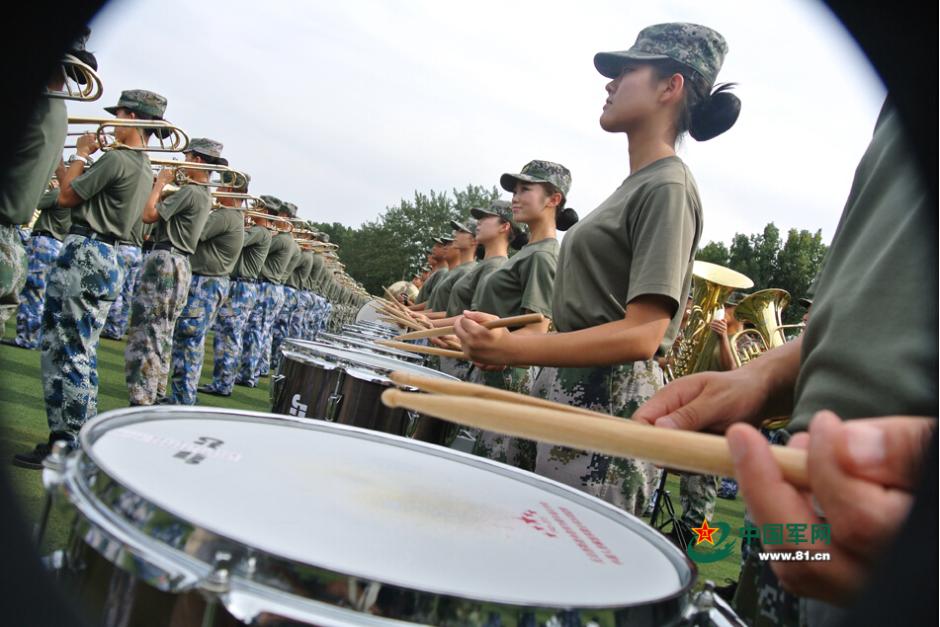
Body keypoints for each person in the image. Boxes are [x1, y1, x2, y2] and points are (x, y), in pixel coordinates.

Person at [634, 101, 935, 625]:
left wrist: (734, 349)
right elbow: (874, 308)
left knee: (700, 513)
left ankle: (695, 552)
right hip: (802, 512)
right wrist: (762, 374)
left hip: (900, 539)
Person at [455, 23, 740, 517]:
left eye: (628, 71)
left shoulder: (667, 187)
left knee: (566, 574)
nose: (610, 84)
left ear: (670, 86)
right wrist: (508, 345)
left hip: (609, 402)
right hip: (576, 391)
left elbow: (643, 335)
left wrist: (512, 347)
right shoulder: (639, 184)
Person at [13, 89, 165, 468]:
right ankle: (66, 438)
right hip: (102, 253)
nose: (110, 122)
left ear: (130, 117)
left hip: (88, 253)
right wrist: (77, 165)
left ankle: (71, 444)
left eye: (117, 115)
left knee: (70, 351)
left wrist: (81, 153)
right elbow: (74, 190)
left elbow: (65, 199)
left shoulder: (118, 159)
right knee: (70, 349)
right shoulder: (141, 166)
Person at [456, 160, 570, 470]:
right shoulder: (528, 253)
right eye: (514, 191)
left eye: (525, 190)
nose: (515, 198)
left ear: (553, 199)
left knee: (489, 469)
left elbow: (537, 329)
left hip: (508, 375)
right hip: (494, 367)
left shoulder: (545, 255)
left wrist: (494, 347)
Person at [0, 36, 89, 336]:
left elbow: (61, 197)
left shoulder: (37, 107)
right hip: (13, 238)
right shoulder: (57, 112)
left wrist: (80, 155)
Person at [124, 137, 221, 406]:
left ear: (198, 160)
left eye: (188, 156)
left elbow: (148, 215)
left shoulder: (191, 191)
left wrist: (158, 184)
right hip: (179, 263)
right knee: (162, 332)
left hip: (166, 261)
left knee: (148, 331)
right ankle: (154, 391)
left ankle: (142, 398)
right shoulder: (202, 193)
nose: (184, 162)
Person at [168, 172, 246, 404]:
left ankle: (183, 396)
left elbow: (196, 233)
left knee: (189, 338)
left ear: (231, 191)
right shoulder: (232, 216)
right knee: (193, 338)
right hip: (213, 283)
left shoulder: (225, 215)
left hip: (207, 284)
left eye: (222, 186)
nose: (217, 189)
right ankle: (185, 394)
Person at [200, 207, 272, 397]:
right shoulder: (262, 232)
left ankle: (223, 383)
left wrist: (239, 222)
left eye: (258, 208)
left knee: (229, 333)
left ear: (265, 211)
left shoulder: (258, 231)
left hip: (241, 289)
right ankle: (222, 381)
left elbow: (238, 238)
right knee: (228, 332)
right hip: (242, 288)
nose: (252, 210)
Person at [235, 196, 294, 388]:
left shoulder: (281, 239)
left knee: (255, 331)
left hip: (267, 287)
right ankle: (256, 368)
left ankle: (248, 374)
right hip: (272, 288)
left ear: (285, 217)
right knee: (262, 331)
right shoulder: (285, 239)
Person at [10, 189, 70, 348]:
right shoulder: (81, 198)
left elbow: (32, 203)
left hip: (44, 242)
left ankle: (27, 338)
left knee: (32, 292)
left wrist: (45, 186)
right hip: (60, 245)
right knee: (48, 295)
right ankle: (41, 338)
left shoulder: (59, 192)